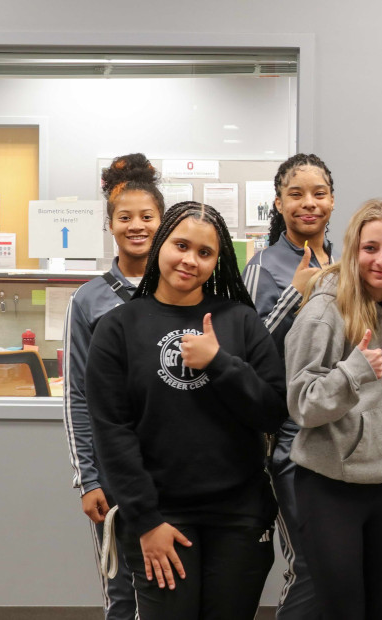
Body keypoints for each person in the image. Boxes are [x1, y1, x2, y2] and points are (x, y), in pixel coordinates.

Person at [86, 202, 287, 619]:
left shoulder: (241, 321)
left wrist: (220, 363)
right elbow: (112, 431)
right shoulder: (117, 328)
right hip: (161, 514)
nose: (189, 260)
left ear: (218, 260)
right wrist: (146, 521)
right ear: (161, 244)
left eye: (205, 252)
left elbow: (272, 411)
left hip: (240, 515)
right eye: (181, 245)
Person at [285, 199, 382, 620]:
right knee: (343, 612)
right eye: (370, 249)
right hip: (332, 487)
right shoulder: (324, 312)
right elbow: (302, 405)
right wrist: (351, 374)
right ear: (353, 250)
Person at [63, 153, 165, 620]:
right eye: (125, 217)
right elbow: (78, 397)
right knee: (122, 592)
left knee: (172, 587)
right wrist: (88, 477)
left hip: (173, 468)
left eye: (147, 217)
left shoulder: (182, 289)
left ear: (162, 223)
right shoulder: (89, 299)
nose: (137, 226)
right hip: (111, 471)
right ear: (110, 225)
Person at [242, 152, 335, 619]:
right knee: (309, 562)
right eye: (295, 194)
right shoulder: (263, 265)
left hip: (337, 430)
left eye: (318, 193)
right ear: (278, 204)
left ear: (333, 201)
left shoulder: (344, 263)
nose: (308, 203)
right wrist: (296, 294)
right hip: (286, 434)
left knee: (337, 563)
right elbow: (248, 349)